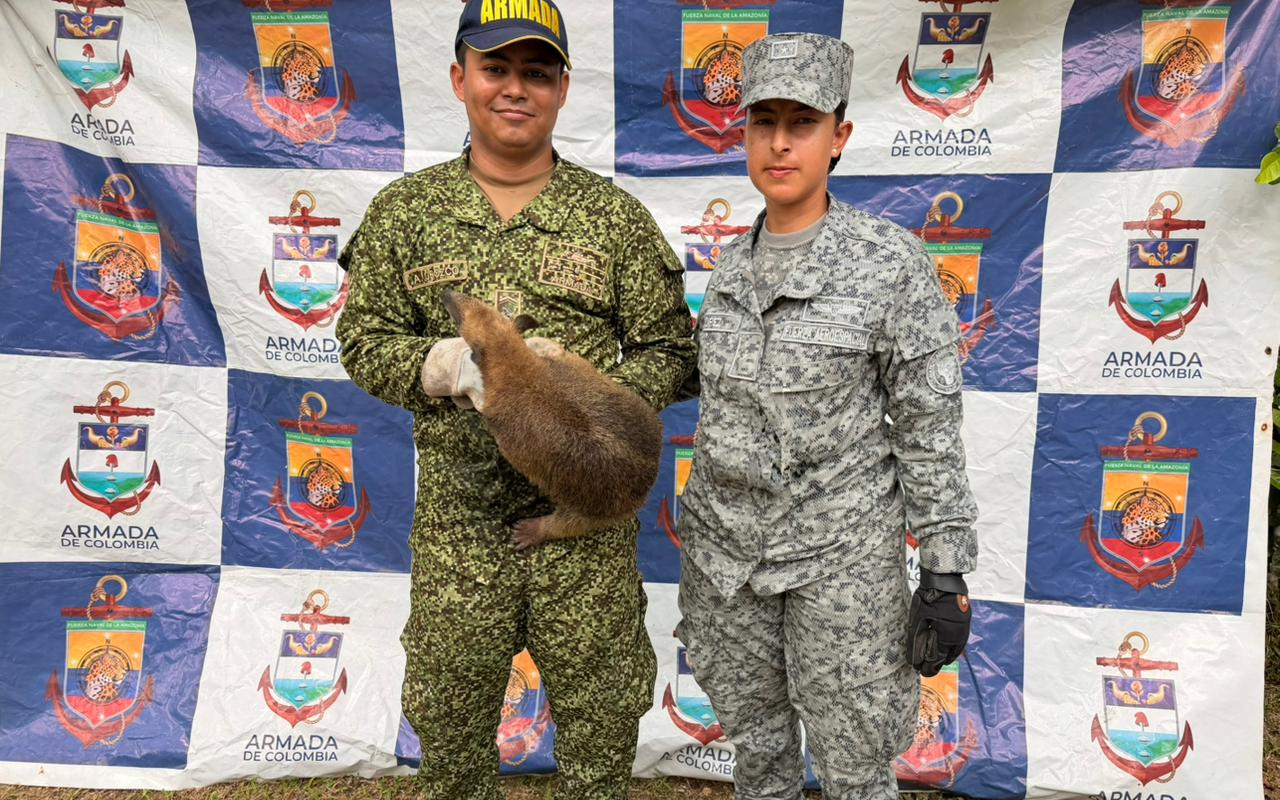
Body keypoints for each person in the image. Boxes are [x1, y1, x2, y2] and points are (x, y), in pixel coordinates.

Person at [335, 2, 696, 797]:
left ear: (562, 87)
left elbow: (672, 350)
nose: (514, 88)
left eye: (536, 72)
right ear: (459, 77)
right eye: (495, 68)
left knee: (602, 724)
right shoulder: (405, 214)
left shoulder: (613, 220)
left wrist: (590, 400)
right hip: (460, 525)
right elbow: (362, 342)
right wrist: (438, 366)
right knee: (450, 723)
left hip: (586, 526)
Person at [675, 32, 979, 800]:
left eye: (802, 122)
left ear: (838, 136)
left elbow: (928, 425)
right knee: (759, 755)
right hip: (729, 563)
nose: (780, 142)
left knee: (855, 767)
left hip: (841, 563)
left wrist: (944, 567)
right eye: (763, 121)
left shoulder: (888, 264)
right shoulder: (729, 271)